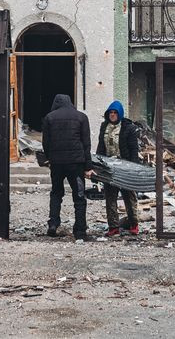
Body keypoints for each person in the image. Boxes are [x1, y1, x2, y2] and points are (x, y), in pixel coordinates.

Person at [40, 93, 91, 241]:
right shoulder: (81, 117)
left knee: (56, 193)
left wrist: (49, 158)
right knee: (79, 196)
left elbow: (46, 142)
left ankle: (53, 224)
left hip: (57, 163)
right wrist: (88, 166)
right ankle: (80, 231)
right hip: (76, 163)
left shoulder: (49, 118)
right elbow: (86, 144)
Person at [96, 100, 140, 236]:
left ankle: (134, 224)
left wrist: (134, 167)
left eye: (115, 112)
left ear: (120, 114)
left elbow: (134, 149)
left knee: (129, 196)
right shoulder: (104, 127)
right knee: (110, 197)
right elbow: (101, 146)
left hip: (125, 166)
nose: (113, 115)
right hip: (109, 166)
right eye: (111, 112)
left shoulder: (128, 128)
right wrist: (98, 165)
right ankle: (113, 226)